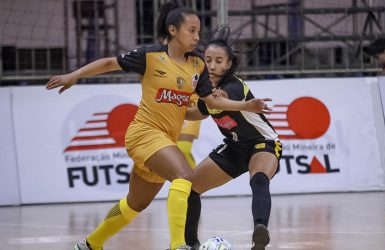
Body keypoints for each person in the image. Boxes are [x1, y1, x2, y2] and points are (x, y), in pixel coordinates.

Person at [46, 2, 270, 250]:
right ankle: (178, 246)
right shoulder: (150, 56)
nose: (197, 37)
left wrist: (245, 106)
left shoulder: (197, 64)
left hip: (164, 141)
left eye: (198, 31)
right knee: (185, 175)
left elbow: (209, 102)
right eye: (191, 30)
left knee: (135, 204)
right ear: (173, 30)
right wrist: (74, 75)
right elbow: (110, 63)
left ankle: (90, 244)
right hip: (143, 133)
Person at [181, 26, 282, 250]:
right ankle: (191, 245)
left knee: (259, 179)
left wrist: (243, 104)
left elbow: (220, 98)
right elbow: (196, 112)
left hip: (263, 143)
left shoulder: (231, 87)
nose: (213, 65)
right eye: (208, 60)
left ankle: (260, 232)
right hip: (234, 147)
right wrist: (169, 105)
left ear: (228, 64)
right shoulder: (206, 90)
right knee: (191, 188)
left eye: (218, 60)